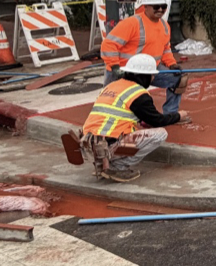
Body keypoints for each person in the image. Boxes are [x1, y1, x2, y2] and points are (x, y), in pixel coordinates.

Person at [78, 53, 191, 182]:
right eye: (152, 75)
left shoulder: (112, 86)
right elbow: (157, 120)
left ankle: (102, 162)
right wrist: (179, 116)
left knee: (134, 130)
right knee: (160, 134)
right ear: (144, 76)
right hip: (106, 146)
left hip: (88, 143)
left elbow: (117, 114)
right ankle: (117, 166)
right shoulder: (138, 94)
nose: (153, 78)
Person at [100, 0, 186, 112]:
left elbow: (165, 49)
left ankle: (171, 113)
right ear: (146, 7)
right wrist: (115, 67)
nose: (160, 10)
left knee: (179, 79)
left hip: (150, 70)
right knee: (111, 104)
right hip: (124, 70)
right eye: (156, 7)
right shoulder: (132, 23)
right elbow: (109, 44)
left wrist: (172, 64)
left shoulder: (164, 26)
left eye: (163, 6)